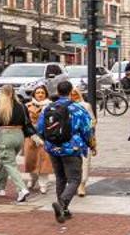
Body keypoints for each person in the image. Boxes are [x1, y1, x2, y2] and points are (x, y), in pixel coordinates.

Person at [34, 78, 97, 225]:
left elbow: (40, 128)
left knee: (60, 178)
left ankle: (63, 210)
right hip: (72, 148)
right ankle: (62, 203)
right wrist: (91, 145)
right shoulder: (78, 108)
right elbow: (87, 129)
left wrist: (47, 141)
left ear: (57, 92)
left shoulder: (48, 108)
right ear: (70, 92)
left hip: (53, 148)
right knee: (75, 179)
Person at [0, 84, 32, 202]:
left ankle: (21, 188)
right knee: (6, 161)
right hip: (19, 136)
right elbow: (28, 123)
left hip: (6, 136)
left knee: (9, 163)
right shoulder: (22, 106)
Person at [19, 85, 54, 199]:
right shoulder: (27, 106)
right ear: (34, 94)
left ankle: (43, 183)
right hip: (31, 136)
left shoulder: (51, 106)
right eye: (38, 92)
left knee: (45, 161)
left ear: (46, 94)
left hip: (45, 137)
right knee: (31, 159)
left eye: (42, 93)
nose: (40, 94)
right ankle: (32, 178)